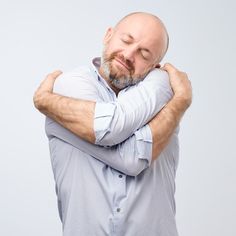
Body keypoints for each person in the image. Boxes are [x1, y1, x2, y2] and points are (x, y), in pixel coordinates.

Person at [33, 12, 192, 236]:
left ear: (155, 67)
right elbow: (132, 155)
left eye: (144, 53)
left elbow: (123, 147)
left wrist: (175, 100)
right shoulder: (68, 86)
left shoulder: (163, 87)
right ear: (108, 35)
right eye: (126, 41)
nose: (128, 55)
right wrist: (180, 103)